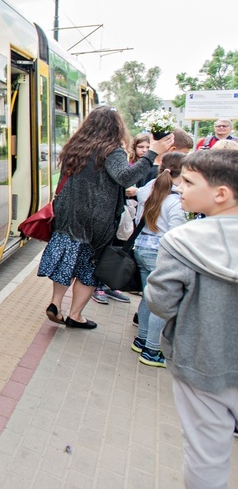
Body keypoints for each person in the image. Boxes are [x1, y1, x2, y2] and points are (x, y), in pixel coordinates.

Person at [145, 150, 238, 488]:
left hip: (201, 365)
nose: (179, 188)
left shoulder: (182, 241)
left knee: (206, 458)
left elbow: (160, 301)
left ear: (221, 193)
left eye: (187, 182)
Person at [39, 105, 174, 330]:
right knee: (90, 266)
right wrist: (152, 154)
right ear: (115, 127)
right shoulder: (111, 150)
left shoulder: (75, 147)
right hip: (96, 217)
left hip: (68, 213)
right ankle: (75, 315)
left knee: (67, 257)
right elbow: (124, 177)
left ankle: (55, 304)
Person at [129, 152, 186, 368]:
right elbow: (177, 233)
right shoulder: (176, 201)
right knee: (160, 303)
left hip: (141, 248)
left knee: (147, 297)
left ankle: (142, 339)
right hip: (160, 253)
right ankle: (152, 350)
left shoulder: (150, 187)